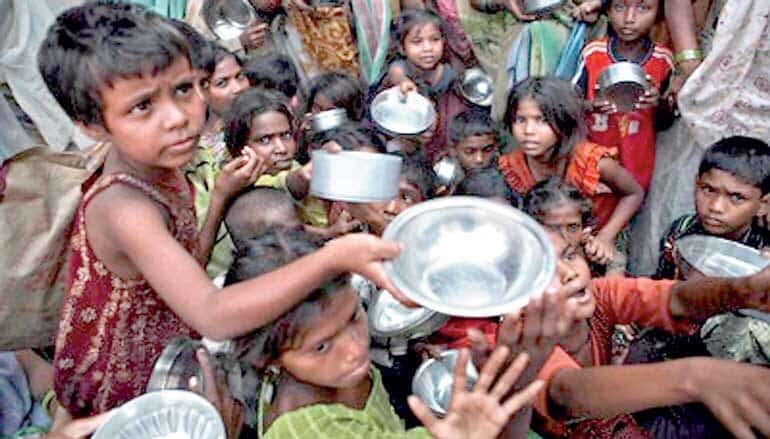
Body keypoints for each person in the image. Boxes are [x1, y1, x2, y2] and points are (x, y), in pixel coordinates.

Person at [38, 2, 402, 418]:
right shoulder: (124, 206)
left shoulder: (166, 163)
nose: (178, 118)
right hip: (126, 379)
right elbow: (212, 315)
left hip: (171, 342)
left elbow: (187, 265)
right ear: (94, 126)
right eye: (143, 106)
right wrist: (332, 257)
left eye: (183, 89)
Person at [223, 229, 545, 439]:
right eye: (321, 347)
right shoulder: (310, 431)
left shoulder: (333, 374)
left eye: (353, 317)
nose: (354, 348)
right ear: (269, 359)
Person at [522, 230, 770, 438]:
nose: (570, 273)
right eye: (544, 271)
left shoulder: (600, 296)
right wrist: (695, 377)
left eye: (569, 255)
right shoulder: (518, 344)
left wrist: (742, 290)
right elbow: (566, 392)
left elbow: (677, 299)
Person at [498, 76, 644, 267]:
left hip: (597, 240)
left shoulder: (592, 162)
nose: (528, 130)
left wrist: (606, 236)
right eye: (520, 120)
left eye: (541, 120)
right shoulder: (510, 167)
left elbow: (634, 193)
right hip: (547, 245)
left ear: (563, 122)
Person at [573, 0, 676, 191]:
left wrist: (658, 103)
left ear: (659, 13)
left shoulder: (663, 60)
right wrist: (591, 105)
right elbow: (569, 103)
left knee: (629, 203)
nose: (629, 19)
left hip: (636, 164)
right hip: (592, 161)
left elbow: (666, 121)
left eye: (643, 8)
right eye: (620, 7)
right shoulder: (593, 53)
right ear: (608, 10)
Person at [524, 177, 626, 276]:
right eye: (553, 229)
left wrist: (606, 257)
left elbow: (615, 284)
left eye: (573, 227)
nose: (565, 237)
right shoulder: (530, 264)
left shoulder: (589, 253)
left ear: (583, 228)